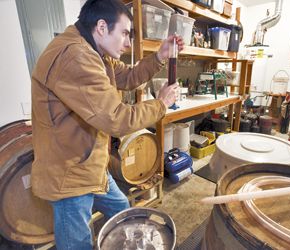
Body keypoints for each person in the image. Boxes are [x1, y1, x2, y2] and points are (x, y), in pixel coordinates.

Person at [30, 0, 184, 249]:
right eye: (124, 33)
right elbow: (117, 118)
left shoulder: (95, 53)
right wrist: (160, 104)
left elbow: (128, 76)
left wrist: (159, 56)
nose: (128, 42)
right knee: (77, 244)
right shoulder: (75, 56)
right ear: (102, 27)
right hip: (69, 173)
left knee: (121, 209)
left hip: (91, 163)